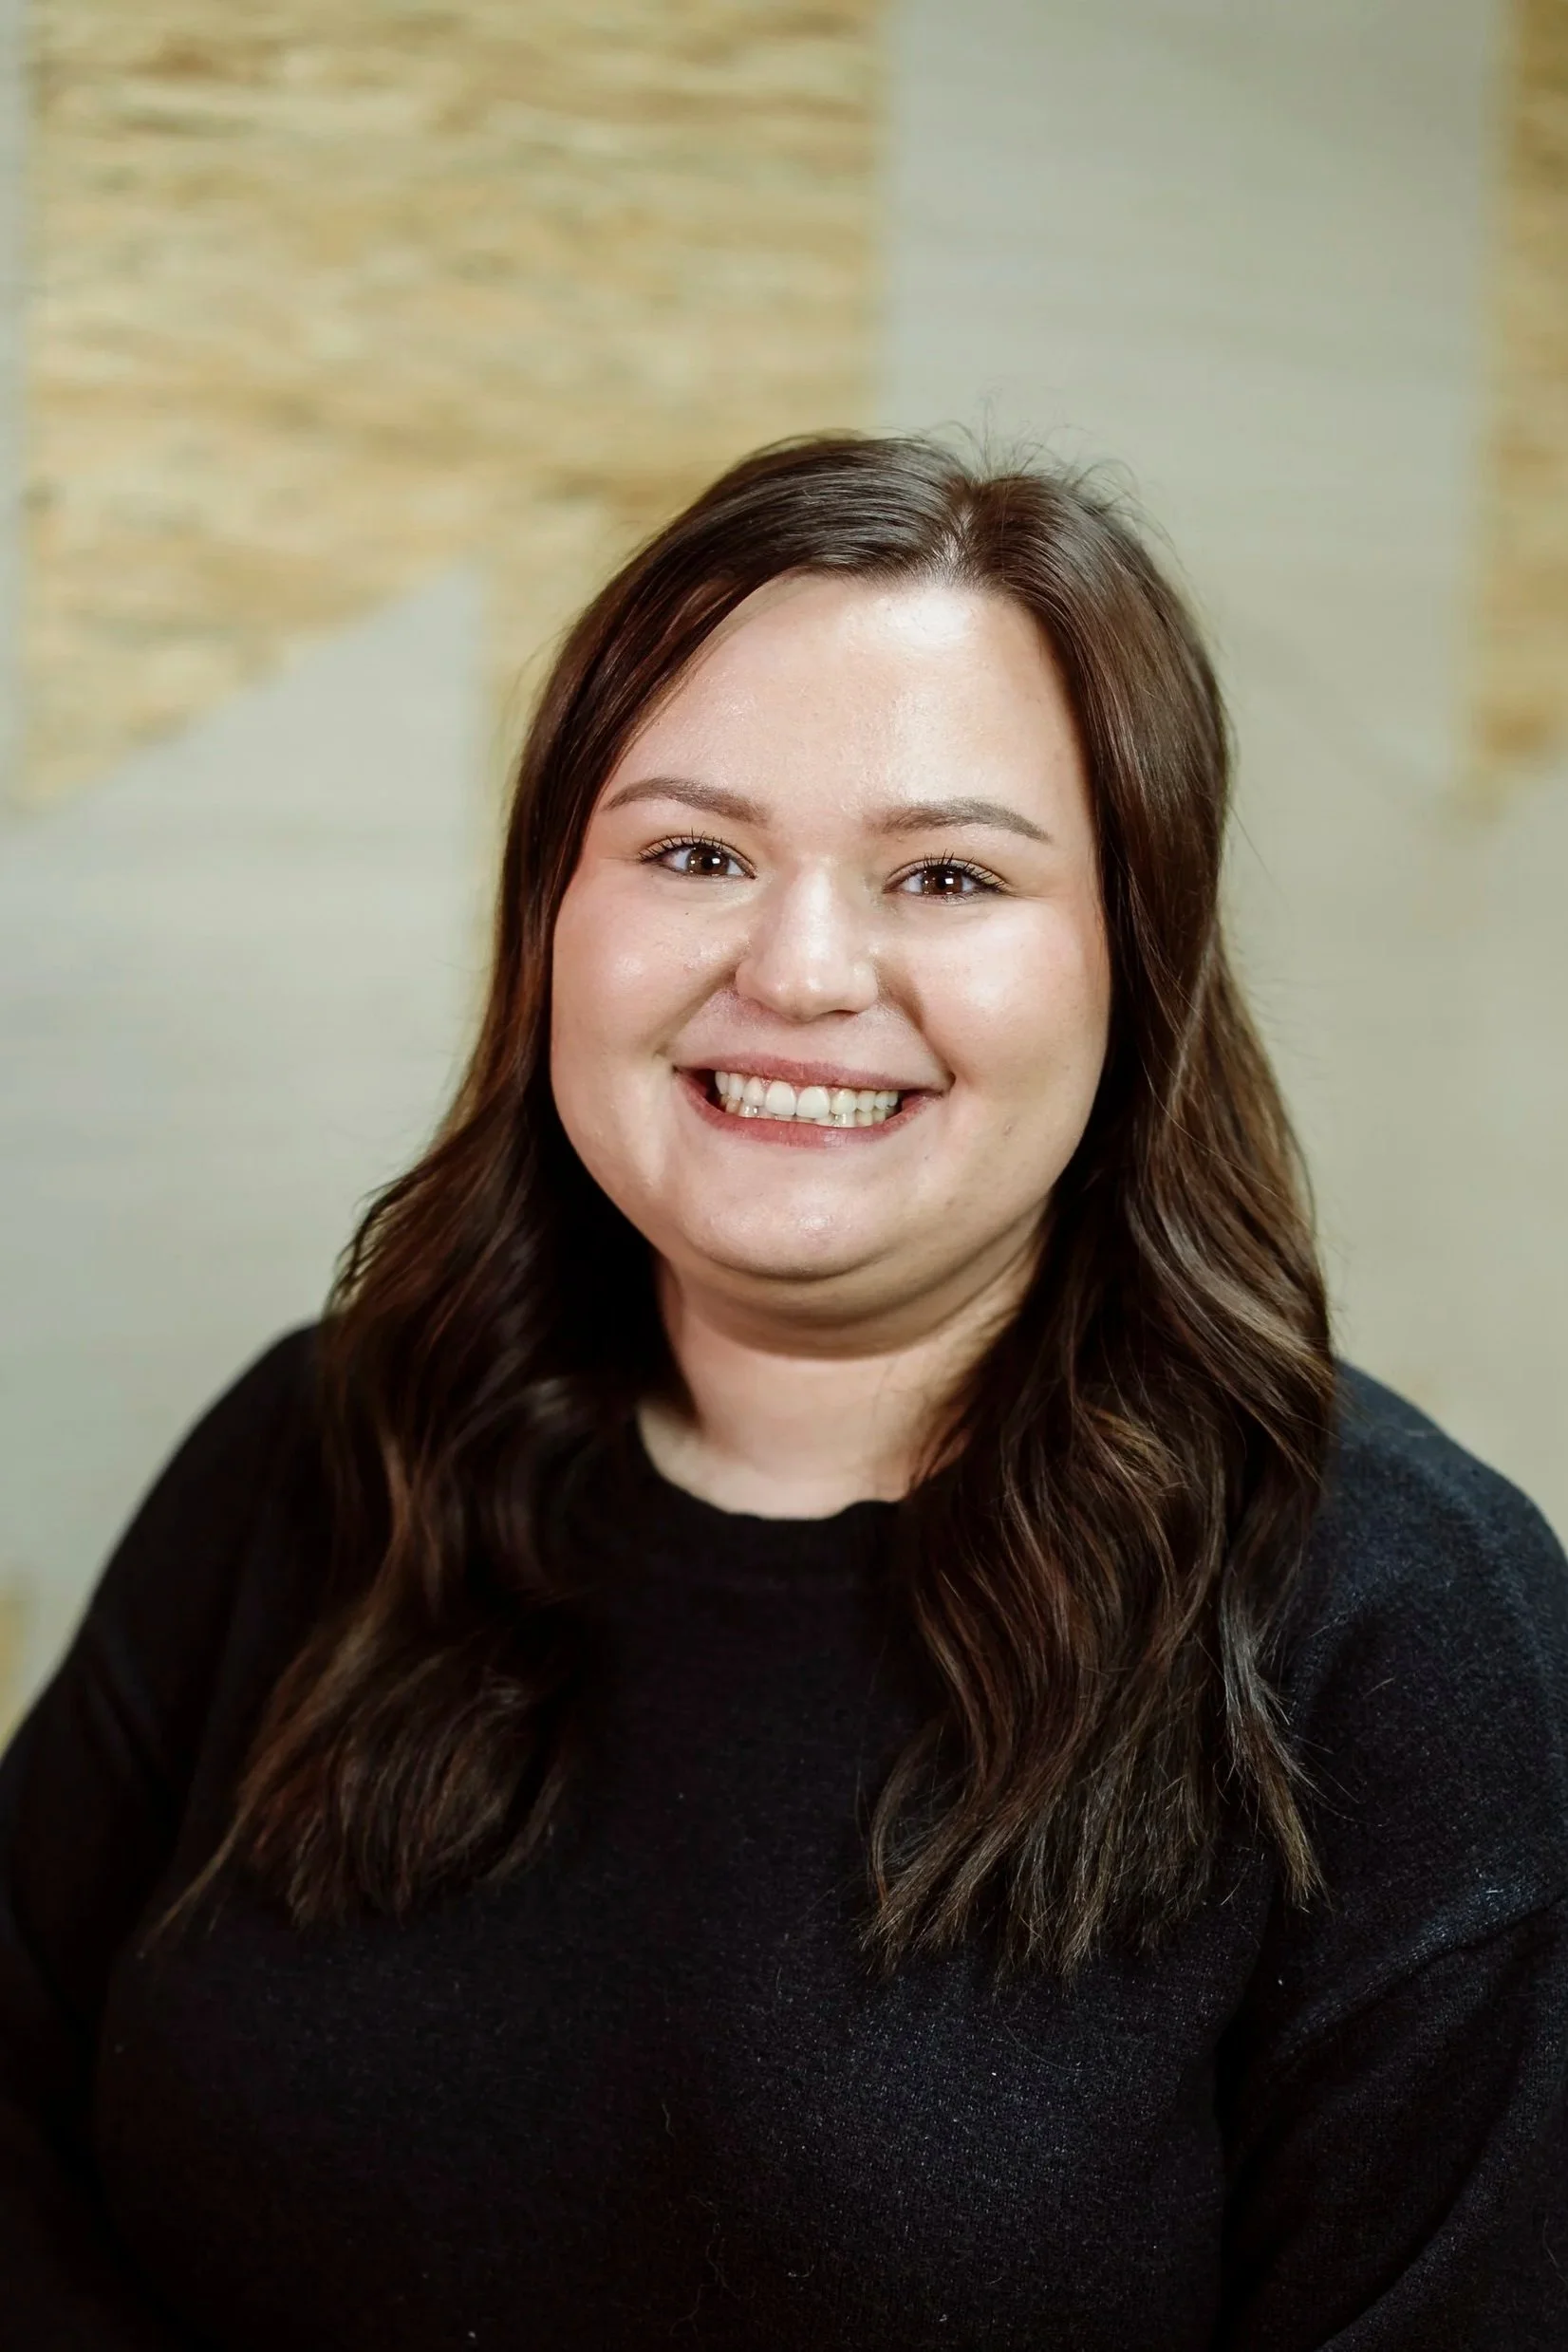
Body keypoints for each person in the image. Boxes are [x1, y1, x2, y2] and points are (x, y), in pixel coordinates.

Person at [2, 435, 1564, 2352]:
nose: (804, 968)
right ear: (551, 921)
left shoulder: (1409, 1628)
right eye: (696, 854)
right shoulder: (329, 1446)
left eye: (946, 874)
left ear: (1133, 965)